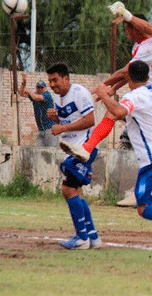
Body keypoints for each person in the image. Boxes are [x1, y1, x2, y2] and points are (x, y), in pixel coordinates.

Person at [61, 61, 152, 263]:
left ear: (128, 78)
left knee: (144, 208)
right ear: (147, 77)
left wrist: (103, 94)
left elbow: (118, 112)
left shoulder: (133, 97)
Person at [67, 5, 152, 163]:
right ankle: (89, 148)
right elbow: (132, 71)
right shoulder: (151, 45)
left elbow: (127, 69)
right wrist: (113, 88)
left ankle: (89, 148)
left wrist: (101, 87)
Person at [45, 63, 102, 250]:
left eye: (55, 80)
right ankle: (92, 237)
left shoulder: (80, 92)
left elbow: (89, 120)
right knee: (75, 191)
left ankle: (81, 238)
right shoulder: (57, 97)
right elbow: (68, 119)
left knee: (67, 189)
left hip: (84, 148)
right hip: (72, 149)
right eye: (50, 81)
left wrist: (62, 127)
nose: (52, 84)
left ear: (66, 78)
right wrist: (56, 118)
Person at [19, 74, 58, 147]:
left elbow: (37, 98)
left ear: (45, 88)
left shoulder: (47, 95)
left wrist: (30, 92)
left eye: (41, 88)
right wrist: (23, 84)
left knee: (51, 152)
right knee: (40, 152)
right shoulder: (35, 95)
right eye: (38, 87)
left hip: (50, 130)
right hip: (40, 130)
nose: (39, 89)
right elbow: (21, 93)